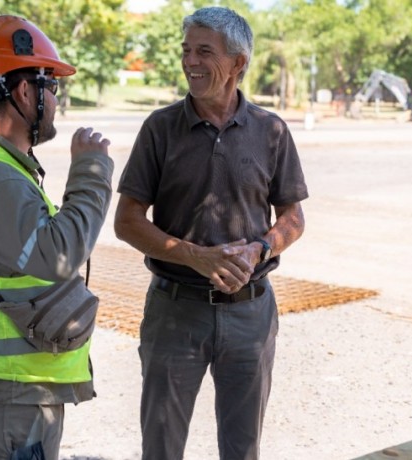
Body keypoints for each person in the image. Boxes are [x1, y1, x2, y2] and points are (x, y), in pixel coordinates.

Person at [114, 6, 307, 460]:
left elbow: (293, 218)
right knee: (161, 447)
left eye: (204, 51)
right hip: (174, 313)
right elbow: (126, 221)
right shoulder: (159, 129)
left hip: (251, 316)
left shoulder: (271, 131)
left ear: (239, 63)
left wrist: (261, 249)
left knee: (242, 450)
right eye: (186, 51)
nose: (190, 62)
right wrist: (195, 256)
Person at [0, 15, 114, 459]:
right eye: (51, 86)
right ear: (24, 91)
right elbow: (59, 255)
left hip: (8, 392)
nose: (55, 100)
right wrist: (91, 172)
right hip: (5, 398)